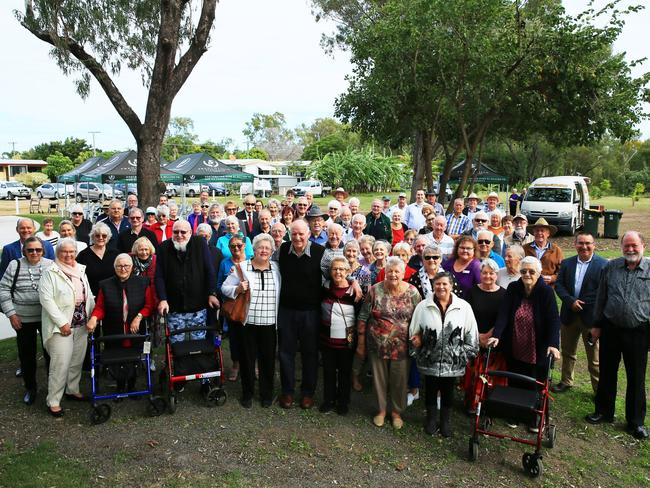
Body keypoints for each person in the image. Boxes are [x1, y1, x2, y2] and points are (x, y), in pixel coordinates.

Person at [586, 231, 650, 440]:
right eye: (626, 246)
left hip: (639, 331)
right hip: (611, 328)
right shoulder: (611, 267)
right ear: (621, 247)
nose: (630, 249)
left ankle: (636, 422)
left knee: (636, 377)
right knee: (607, 371)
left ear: (643, 246)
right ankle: (604, 412)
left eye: (634, 245)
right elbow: (601, 297)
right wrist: (596, 325)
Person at [488, 256, 561, 429]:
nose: (527, 274)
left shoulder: (546, 292)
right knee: (515, 379)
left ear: (539, 273)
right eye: (523, 271)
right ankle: (515, 413)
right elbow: (504, 314)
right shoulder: (514, 288)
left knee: (535, 381)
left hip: (538, 344)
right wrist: (497, 335)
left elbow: (553, 320)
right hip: (516, 341)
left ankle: (535, 417)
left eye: (531, 271)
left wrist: (553, 344)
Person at [410, 271, 478, 436]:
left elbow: (472, 334)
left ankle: (446, 421)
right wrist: (416, 341)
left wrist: (464, 355)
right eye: (438, 284)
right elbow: (414, 330)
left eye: (444, 284)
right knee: (431, 388)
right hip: (430, 358)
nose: (441, 287)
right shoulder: (423, 306)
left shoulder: (464, 307)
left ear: (451, 285)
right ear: (433, 286)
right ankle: (431, 419)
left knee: (448, 390)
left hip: (453, 360)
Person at [356, 257, 421, 429]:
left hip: (402, 346)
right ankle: (381, 410)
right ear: (385, 272)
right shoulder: (375, 290)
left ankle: (396, 412)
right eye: (390, 271)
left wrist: (418, 337)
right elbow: (363, 316)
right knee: (379, 379)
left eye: (397, 271)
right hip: (377, 344)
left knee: (399, 380)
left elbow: (420, 318)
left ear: (403, 273)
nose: (393, 274)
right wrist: (361, 341)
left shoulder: (413, 292)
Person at [221, 234, 281, 409]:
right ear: (253, 250)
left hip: (269, 323)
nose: (263, 251)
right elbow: (224, 288)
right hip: (248, 323)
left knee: (268, 360)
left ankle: (266, 394)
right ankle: (247, 393)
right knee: (247, 360)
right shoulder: (242, 268)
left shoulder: (277, 269)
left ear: (271, 251)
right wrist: (237, 289)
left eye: (267, 248)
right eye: (260, 248)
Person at [39, 238, 95, 417]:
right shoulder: (50, 272)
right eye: (65, 252)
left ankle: (72, 389)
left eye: (72, 251)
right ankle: (53, 400)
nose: (69, 255)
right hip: (61, 325)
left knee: (76, 360)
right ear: (58, 253)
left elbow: (88, 295)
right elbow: (46, 300)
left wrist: (93, 316)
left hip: (81, 323)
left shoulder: (80, 269)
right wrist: (62, 323)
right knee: (60, 363)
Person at [86, 254, 155, 392]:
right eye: (119, 266)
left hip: (135, 330)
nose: (123, 269)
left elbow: (149, 305)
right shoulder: (105, 285)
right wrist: (94, 318)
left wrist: (139, 316)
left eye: (126, 266)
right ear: (114, 267)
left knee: (133, 358)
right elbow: (100, 307)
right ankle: (120, 387)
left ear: (132, 267)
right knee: (117, 358)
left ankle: (132, 386)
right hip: (114, 329)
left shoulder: (142, 282)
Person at [276, 219, 326, 410]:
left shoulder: (321, 252)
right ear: (290, 233)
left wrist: (352, 281)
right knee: (285, 352)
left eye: (301, 234)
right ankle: (287, 391)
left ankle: (307, 393)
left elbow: (337, 270)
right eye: (294, 233)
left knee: (310, 353)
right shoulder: (282, 250)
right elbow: (266, 265)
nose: (297, 237)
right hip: (286, 310)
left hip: (310, 312)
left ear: (308, 234)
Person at [0, 237, 53, 405]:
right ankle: (31, 387)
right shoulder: (14, 265)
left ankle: (55, 388)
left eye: (38, 249)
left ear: (43, 251)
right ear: (24, 251)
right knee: (27, 355)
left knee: (51, 354)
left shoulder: (51, 265)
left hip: (47, 318)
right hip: (23, 319)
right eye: (30, 250)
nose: (34, 253)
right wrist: (11, 314)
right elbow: (3, 290)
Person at [553, 232, 607, 394]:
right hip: (569, 316)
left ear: (594, 245)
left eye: (588, 243)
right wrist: (570, 301)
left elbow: (602, 292)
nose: (584, 246)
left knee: (594, 358)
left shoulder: (603, 265)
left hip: (591, 318)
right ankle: (566, 381)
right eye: (580, 243)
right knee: (568, 351)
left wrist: (582, 304)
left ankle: (599, 390)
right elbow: (559, 285)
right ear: (575, 245)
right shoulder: (567, 263)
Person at [155, 220, 219, 346]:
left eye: (183, 232)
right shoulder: (163, 247)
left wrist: (212, 293)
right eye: (176, 232)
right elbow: (159, 276)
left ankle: (197, 365)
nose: (179, 235)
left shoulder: (200, 244)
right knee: (176, 343)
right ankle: (178, 366)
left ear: (190, 232)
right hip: (174, 306)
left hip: (198, 306)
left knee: (198, 342)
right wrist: (162, 299)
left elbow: (209, 270)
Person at [463, 259, 507, 411]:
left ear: (496, 275)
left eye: (491, 273)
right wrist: (478, 335)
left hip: (494, 341)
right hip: (474, 337)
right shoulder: (472, 291)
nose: (488, 276)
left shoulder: (504, 294)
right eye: (484, 273)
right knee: (474, 374)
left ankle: (490, 405)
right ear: (480, 274)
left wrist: (489, 334)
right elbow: (467, 315)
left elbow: (504, 318)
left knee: (491, 375)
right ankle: (472, 404)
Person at [319, 256, 357, 415]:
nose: (338, 272)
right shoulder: (324, 287)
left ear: (348, 271)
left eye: (342, 269)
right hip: (327, 338)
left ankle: (343, 402)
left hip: (346, 341)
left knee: (344, 372)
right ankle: (328, 400)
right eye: (335, 269)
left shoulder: (355, 291)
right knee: (328, 371)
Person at [216, 234, 248, 382]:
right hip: (232, 306)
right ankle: (235, 364)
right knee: (234, 337)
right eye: (233, 246)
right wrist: (232, 283)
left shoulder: (251, 261)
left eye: (239, 245)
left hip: (249, 307)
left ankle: (252, 364)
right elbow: (219, 285)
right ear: (229, 248)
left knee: (250, 337)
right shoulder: (224, 263)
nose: (236, 248)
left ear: (245, 246)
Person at [76, 222, 120, 298]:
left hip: (112, 295)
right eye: (97, 235)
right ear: (92, 237)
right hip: (91, 296)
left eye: (104, 236)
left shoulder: (115, 254)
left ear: (108, 237)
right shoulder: (83, 255)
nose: (100, 238)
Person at [523, 218, 564, 286]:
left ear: (548, 233)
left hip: (548, 288)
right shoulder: (525, 248)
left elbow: (562, 271)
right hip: (528, 287)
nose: (539, 233)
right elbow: (518, 267)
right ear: (533, 233)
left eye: (542, 231)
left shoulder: (556, 250)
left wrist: (552, 278)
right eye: (537, 231)